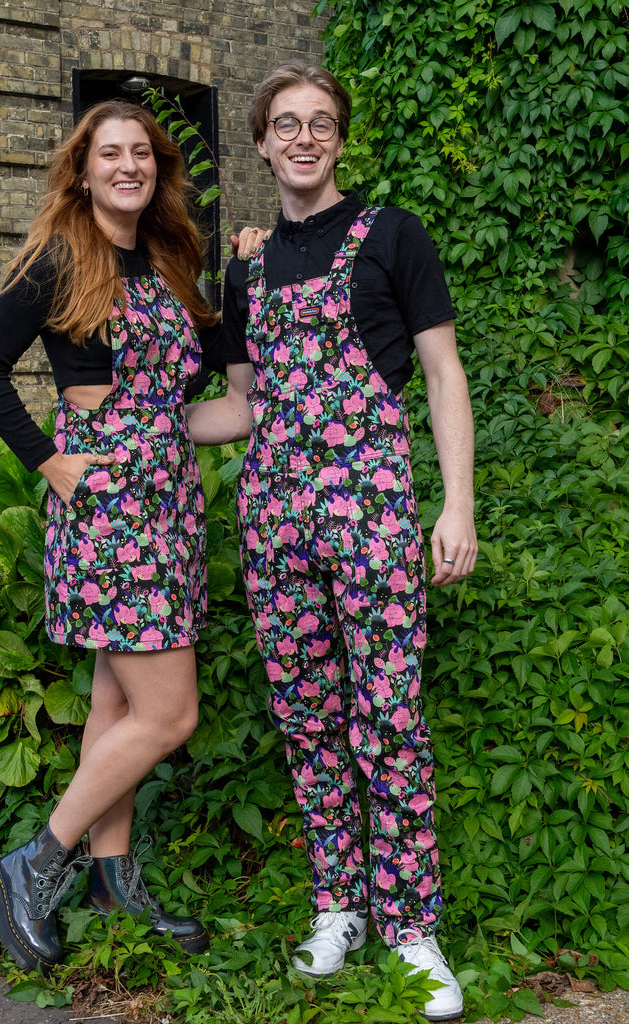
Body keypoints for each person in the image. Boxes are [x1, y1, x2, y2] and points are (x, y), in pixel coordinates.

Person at [186, 62, 477, 1021]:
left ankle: (411, 927)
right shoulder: (247, 267)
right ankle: (337, 905)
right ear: (262, 142)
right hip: (272, 518)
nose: (303, 138)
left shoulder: (392, 235)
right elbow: (240, 407)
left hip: (373, 510)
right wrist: (137, 425)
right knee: (308, 721)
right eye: (285, 124)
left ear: (337, 138)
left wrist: (456, 505)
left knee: (387, 717)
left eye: (319, 123)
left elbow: (441, 376)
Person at [0, 99, 234, 972]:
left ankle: (113, 881)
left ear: (158, 168)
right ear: (82, 171)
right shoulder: (58, 257)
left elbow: (218, 377)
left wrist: (254, 267)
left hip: (170, 495)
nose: (129, 165)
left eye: (142, 153)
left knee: (117, 704)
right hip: (108, 500)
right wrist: (51, 462)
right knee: (171, 711)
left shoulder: (170, 254)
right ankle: (34, 862)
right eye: (109, 153)